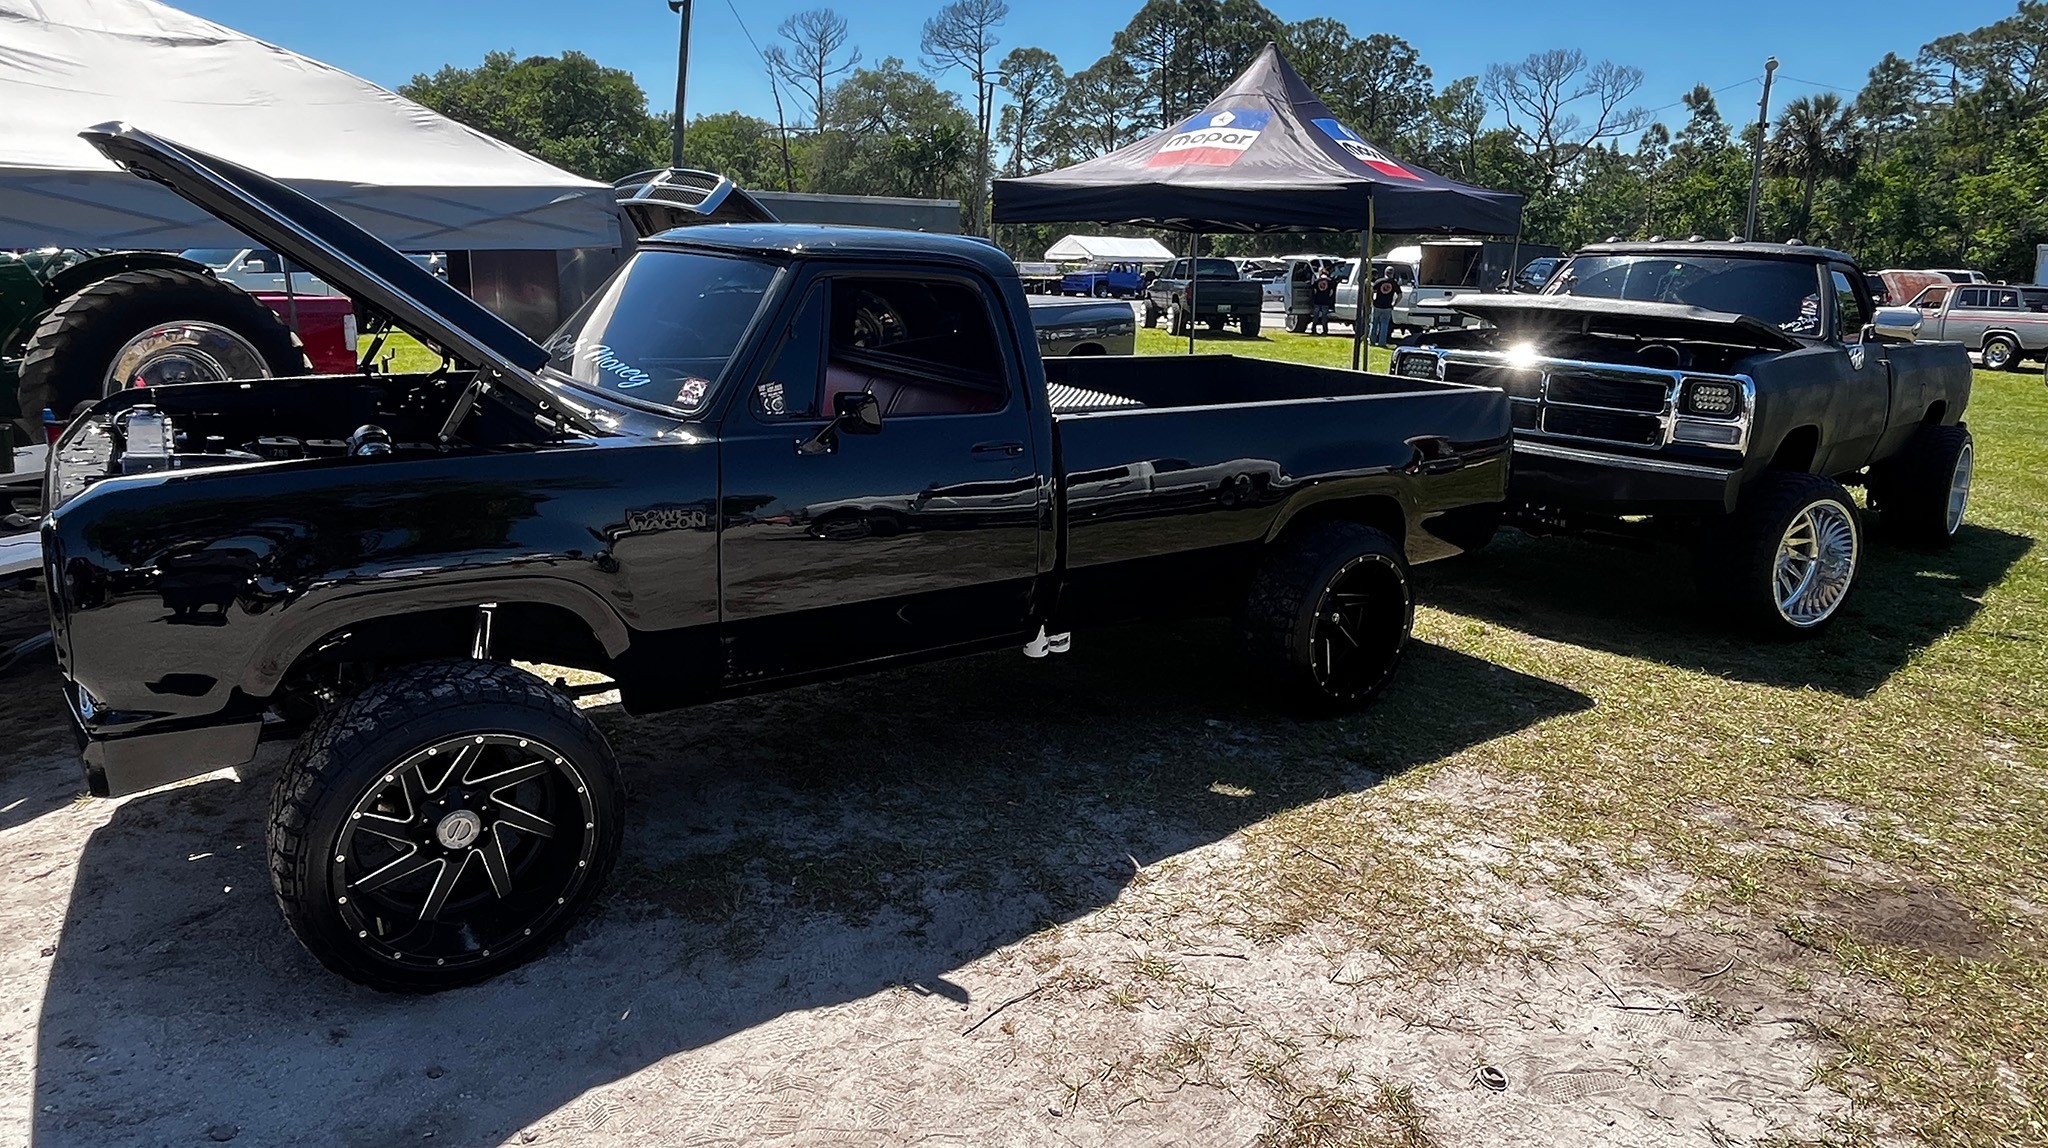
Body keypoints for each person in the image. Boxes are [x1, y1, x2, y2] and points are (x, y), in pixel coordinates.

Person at [1369, 267, 1399, 347]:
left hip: (1377, 305)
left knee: (1374, 324)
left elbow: (1372, 291)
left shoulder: (1379, 281)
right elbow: (1400, 295)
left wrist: (1372, 300)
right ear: (1392, 274)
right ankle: (1382, 343)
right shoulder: (1394, 283)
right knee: (1384, 325)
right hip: (1387, 307)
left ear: (1385, 273)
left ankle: (1372, 341)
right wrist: (1394, 304)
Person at [1310, 268, 1336, 335]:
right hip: (1325, 301)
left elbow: (1315, 291)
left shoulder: (1316, 281)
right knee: (1324, 317)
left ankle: (1313, 330)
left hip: (1317, 301)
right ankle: (1325, 331)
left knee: (1316, 316)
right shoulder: (1330, 281)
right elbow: (1331, 292)